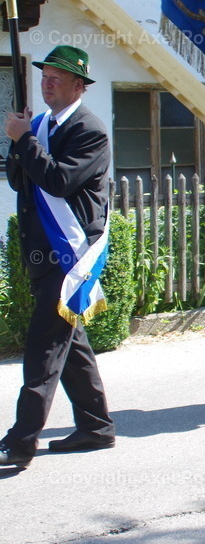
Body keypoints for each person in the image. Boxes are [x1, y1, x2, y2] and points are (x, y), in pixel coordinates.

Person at [1, 46, 116, 469]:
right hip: (44, 254)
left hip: (69, 258)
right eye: (45, 76)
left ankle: (20, 442)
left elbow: (58, 180)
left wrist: (25, 140)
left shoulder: (89, 130)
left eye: (57, 77)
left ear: (78, 86)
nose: (47, 82)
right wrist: (22, 140)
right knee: (72, 346)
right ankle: (96, 427)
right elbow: (20, 180)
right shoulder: (40, 125)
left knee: (43, 351)